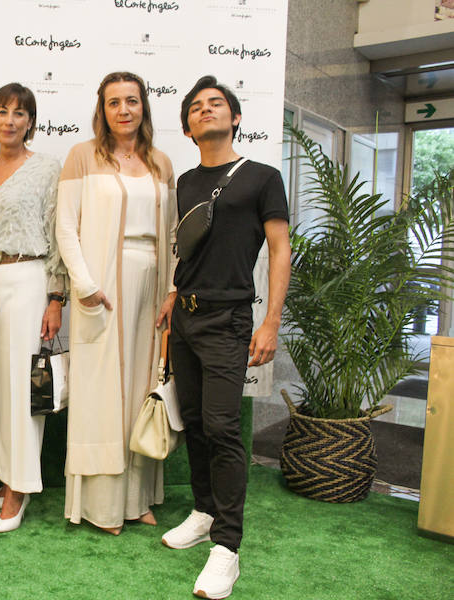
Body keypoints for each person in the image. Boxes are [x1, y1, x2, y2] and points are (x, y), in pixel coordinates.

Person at [159, 75, 290, 599]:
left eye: (216, 104)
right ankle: (204, 511)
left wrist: (272, 321)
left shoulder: (262, 177)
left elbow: (279, 249)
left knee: (221, 426)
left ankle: (227, 547)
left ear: (235, 118)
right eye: (195, 107)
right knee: (193, 421)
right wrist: (172, 293)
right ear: (188, 128)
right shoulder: (186, 182)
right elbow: (189, 248)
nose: (205, 110)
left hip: (229, 319)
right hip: (185, 317)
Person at [55, 71, 177, 535]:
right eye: (113, 102)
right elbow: (66, 226)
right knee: (102, 395)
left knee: (142, 388)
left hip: (151, 285)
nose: (123, 110)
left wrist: (170, 289)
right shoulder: (82, 156)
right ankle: (103, 506)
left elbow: (170, 235)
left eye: (131, 100)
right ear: (101, 109)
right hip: (101, 287)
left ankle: (137, 499)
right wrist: (83, 284)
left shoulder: (161, 162)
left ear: (144, 105)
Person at [0, 83, 67, 533]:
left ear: (31, 121)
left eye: (19, 113)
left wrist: (56, 296)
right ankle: (6, 473)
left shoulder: (47, 168)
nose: (10, 120)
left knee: (23, 388)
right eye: (2, 112)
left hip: (28, 278)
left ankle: (20, 487)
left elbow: (57, 230)